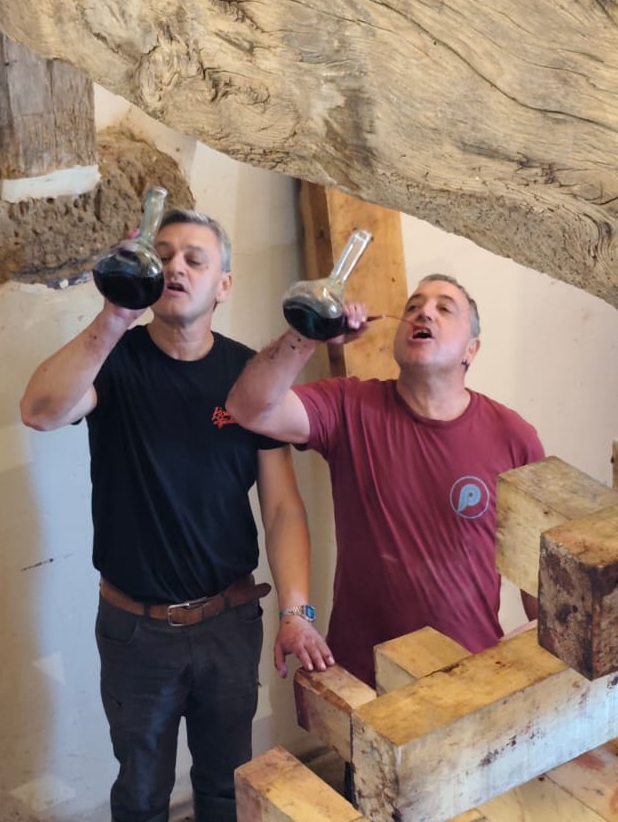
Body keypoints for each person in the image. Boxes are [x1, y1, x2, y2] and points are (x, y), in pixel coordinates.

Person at [20, 207, 332, 822]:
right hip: (138, 630)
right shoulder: (115, 362)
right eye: (164, 256)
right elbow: (41, 410)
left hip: (228, 621)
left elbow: (282, 508)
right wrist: (113, 315)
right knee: (142, 783)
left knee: (228, 776)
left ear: (223, 284)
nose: (178, 266)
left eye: (196, 257)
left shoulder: (247, 377)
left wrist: (297, 611)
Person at [225, 274, 544, 685]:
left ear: (472, 349)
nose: (424, 312)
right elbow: (248, 409)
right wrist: (311, 332)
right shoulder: (349, 406)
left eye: (444, 308)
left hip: (469, 678)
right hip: (363, 678)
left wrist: (542, 665)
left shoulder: (513, 437)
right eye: (413, 306)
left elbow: (537, 570)